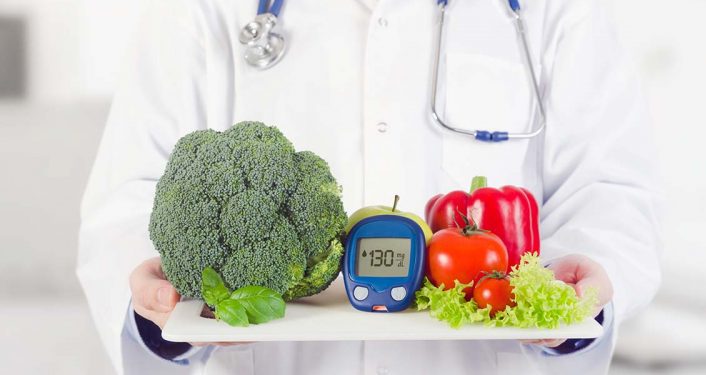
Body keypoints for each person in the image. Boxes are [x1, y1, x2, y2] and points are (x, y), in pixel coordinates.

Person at [78, 0, 661, 373]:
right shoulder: (198, 10)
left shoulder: (559, 10)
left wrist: (572, 297)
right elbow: (127, 202)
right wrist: (160, 308)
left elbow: (608, 187)